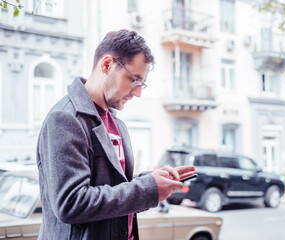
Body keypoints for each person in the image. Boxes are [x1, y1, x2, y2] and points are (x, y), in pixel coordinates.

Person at [36, 29, 195, 240]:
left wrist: (153, 179)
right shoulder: (65, 118)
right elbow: (71, 203)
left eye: (142, 84)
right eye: (134, 80)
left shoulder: (117, 123)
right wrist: (148, 189)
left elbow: (115, 187)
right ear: (107, 64)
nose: (137, 92)